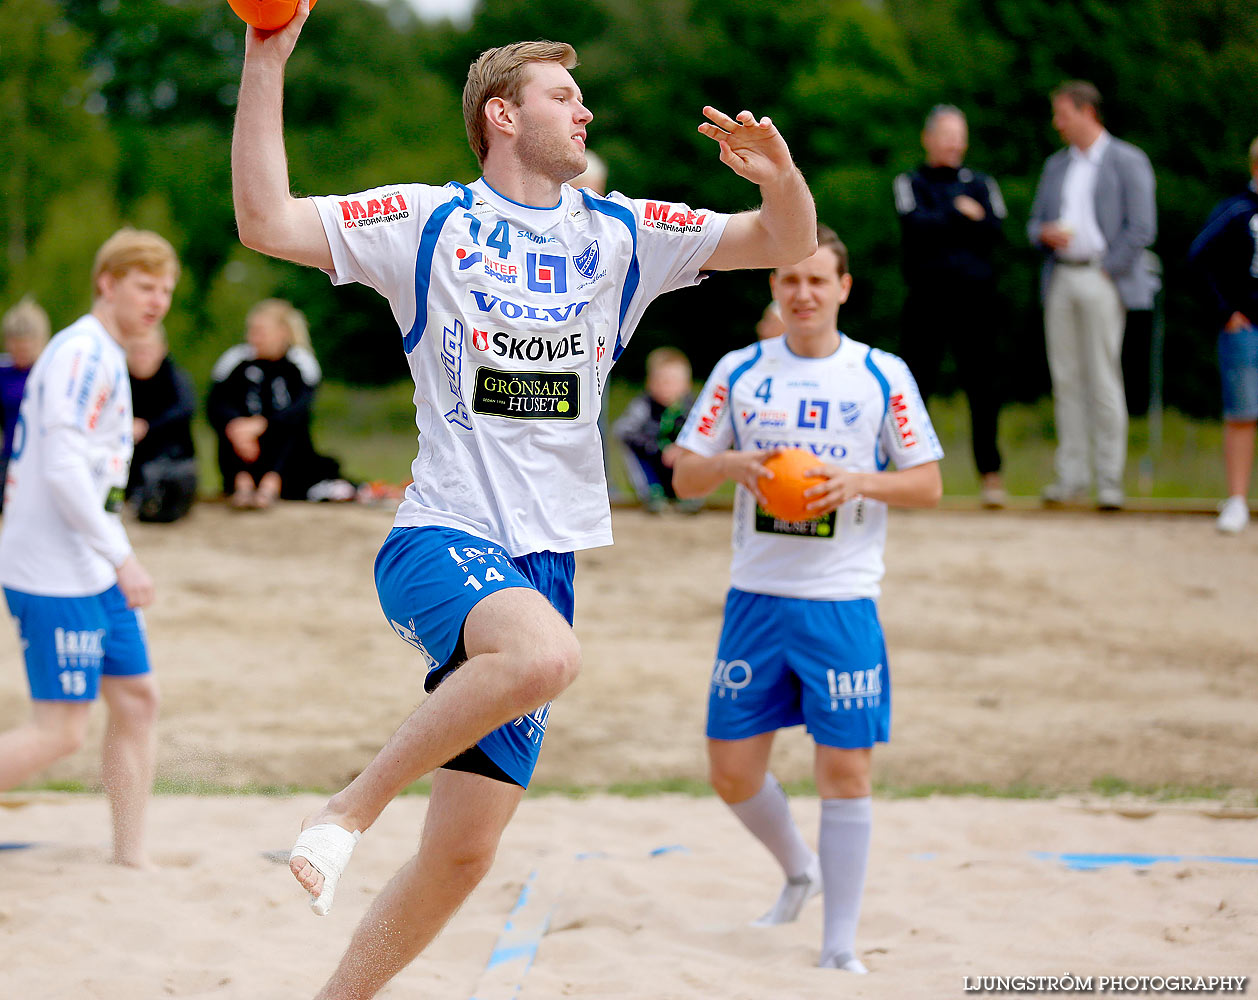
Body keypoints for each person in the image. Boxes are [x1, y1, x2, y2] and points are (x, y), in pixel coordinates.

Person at [231, 8, 817, 997]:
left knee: (463, 852)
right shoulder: (431, 222)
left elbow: (780, 241)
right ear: (500, 115)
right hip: (441, 534)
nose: (584, 111)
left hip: (546, 562)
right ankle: (344, 810)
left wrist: (782, 174)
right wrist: (265, 56)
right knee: (547, 655)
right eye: (563, 95)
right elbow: (265, 220)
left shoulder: (621, 232)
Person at [671, 226, 943, 973]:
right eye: (790, 280)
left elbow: (927, 482)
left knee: (845, 774)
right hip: (757, 597)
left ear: (844, 288)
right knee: (730, 771)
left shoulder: (880, 374)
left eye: (819, 281)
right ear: (772, 289)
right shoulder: (741, 371)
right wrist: (728, 463)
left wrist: (859, 481)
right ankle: (800, 868)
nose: (804, 293)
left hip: (841, 600)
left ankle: (839, 944)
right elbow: (683, 476)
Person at [0, 228, 175, 867]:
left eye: (166, 290)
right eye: (144, 285)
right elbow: (63, 470)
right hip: (53, 569)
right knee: (60, 731)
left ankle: (129, 857)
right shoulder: (82, 351)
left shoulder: (103, 353)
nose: (157, 301)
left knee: (136, 697)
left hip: (87, 562)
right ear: (108, 282)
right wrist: (123, 556)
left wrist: (112, 553)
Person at [1028, 80, 1158, 510]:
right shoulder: (1055, 166)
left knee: (1103, 379)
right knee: (1066, 380)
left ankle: (1109, 480)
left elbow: (1142, 227)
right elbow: (1035, 224)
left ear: (1087, 112)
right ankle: (1072, 476)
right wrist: (1045, 234)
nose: (1056, 123)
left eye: (1062, 114)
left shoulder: (1127, 160)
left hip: (1104, 277)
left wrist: (1108, 269)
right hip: (1061, 277)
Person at [894, 104, 1007, 507]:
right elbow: (915, 226)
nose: (955, 142)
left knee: (984, 388)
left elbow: (995, 229)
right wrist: (960, 215)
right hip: (926, 299)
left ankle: (991, 477)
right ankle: (910, 474)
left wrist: (953, 220)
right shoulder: (910, 180)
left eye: (961, 134)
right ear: (929, 138)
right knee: (914, 386)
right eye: (947, 133)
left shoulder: (981, 181)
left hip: (976, 302)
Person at [207, 298, 348, 508]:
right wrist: (237, 427)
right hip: (241, 449)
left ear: (283, 332)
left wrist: (263, 425)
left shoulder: (300, 363)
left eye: (260, 332)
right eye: (251, 331)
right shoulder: (236, 360)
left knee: (291, 428)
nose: (252, 338)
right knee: (231, 428)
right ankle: (241, 482)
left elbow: (300, 409)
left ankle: (272, 482)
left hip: (286, 455)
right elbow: (214, 404)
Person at [1187, 136, 1258, 535]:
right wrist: (1225, 311)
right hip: (1245, 327)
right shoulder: (1236, 211)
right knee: (1243, 413)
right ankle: (1236, 500)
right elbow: (1198, 258)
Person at [612, 346, 697, 511]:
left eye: (672, 382)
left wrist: (682, 448)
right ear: (649, 383)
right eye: (660, 381)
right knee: (630, 445)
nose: (666, 387)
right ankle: (651, 493)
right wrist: (655, 447)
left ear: (686, 385)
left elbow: (705, 434)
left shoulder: (693, 409)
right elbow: (622, 430)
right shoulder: (643, 405)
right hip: (653, 460)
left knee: (702, 447)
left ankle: (690, 492)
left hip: (681, 463)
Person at [126, 328, 198, 523]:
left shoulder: (175, 379)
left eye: (147, 350)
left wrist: (147, 426)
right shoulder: (118, 378)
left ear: (161, 349)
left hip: (168, 460)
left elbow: (185, 410)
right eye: (135, 350)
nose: (141, 357)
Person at [0, 296, 51, 511]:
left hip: (43, 460)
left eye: (27, 341)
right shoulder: (3, 373)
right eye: (15, 341)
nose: (21, 348)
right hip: (10, 458)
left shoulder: (49, 371)